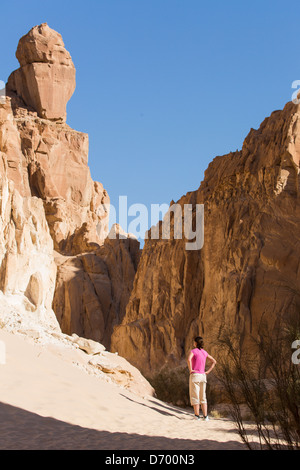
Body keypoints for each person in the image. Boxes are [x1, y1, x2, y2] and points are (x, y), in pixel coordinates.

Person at [187, 336, 216, 421]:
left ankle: (197, 416)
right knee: (203, 396)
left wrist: (190, 369)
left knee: (195, 395)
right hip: (203, 376)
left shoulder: (193, 351)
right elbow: (214, 361)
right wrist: (208, 371)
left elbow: (189, 360)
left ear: (195, 343)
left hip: (195, 375)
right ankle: (205, 416)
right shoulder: (204, 352)